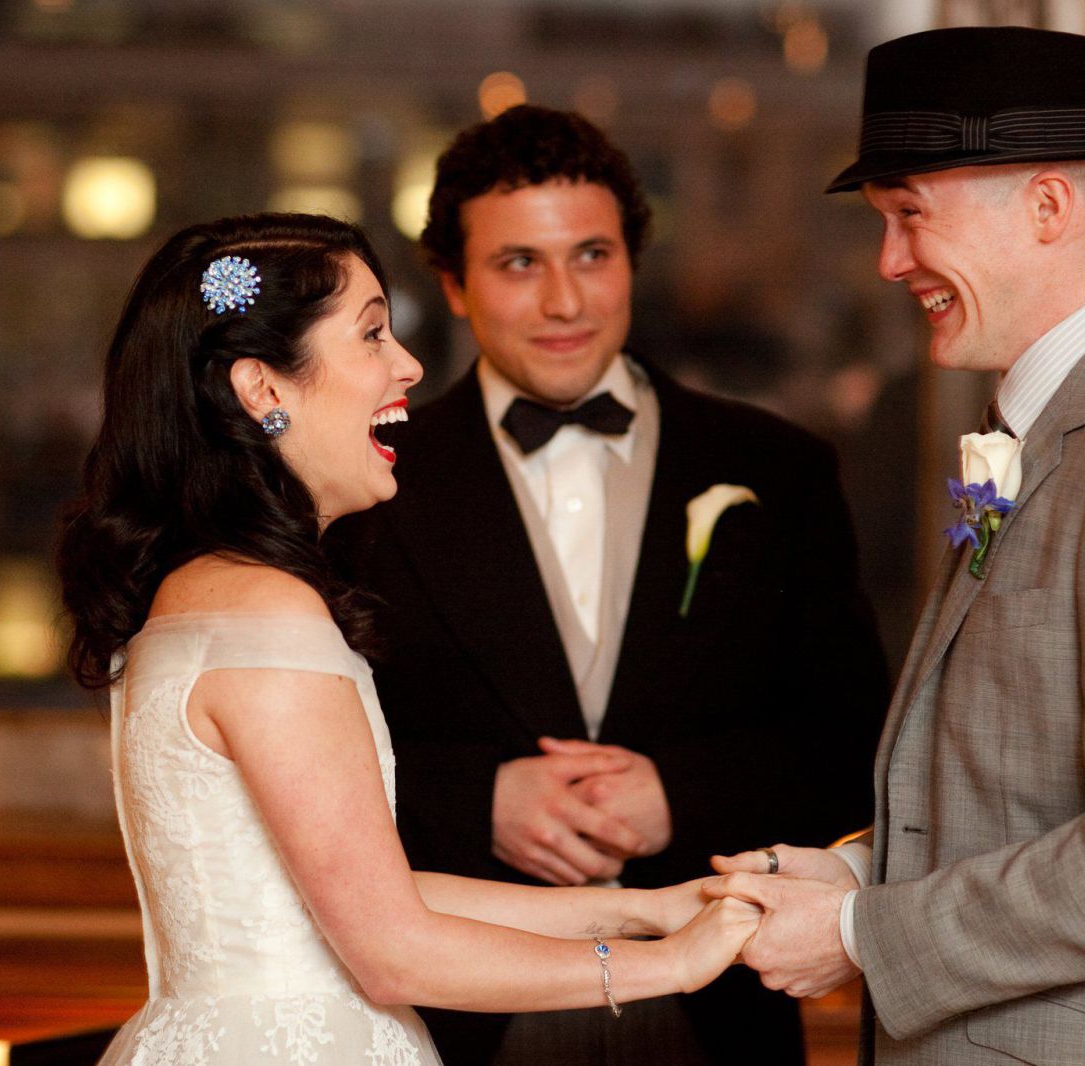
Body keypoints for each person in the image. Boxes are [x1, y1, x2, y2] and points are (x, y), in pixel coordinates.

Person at [705, 27, 1085, 1064]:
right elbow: (1021, 785)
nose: (890, 261)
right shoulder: (1080, 422)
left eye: (909, 216)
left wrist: (860, 934)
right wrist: (860, 872)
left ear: (1046, 206)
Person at [55, 213, 759, 1066]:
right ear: (262, 389)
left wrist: (644, 909)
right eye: (372, 334)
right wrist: (671, 964)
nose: (409, 366)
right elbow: (391, 951)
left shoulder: (203, 589)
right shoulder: (266, 611)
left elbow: (365, 891)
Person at [323, 105, 890, 1064]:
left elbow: (855, 741)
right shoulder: (361, 483)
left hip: (720, 1003)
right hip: (449, 1015)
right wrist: (480, 801)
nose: (565, 302)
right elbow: (305, 747)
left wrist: (681, 793)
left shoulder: (778, 468)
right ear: (455, 286)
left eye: (592, 256)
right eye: (518, 264)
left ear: (633, 261)